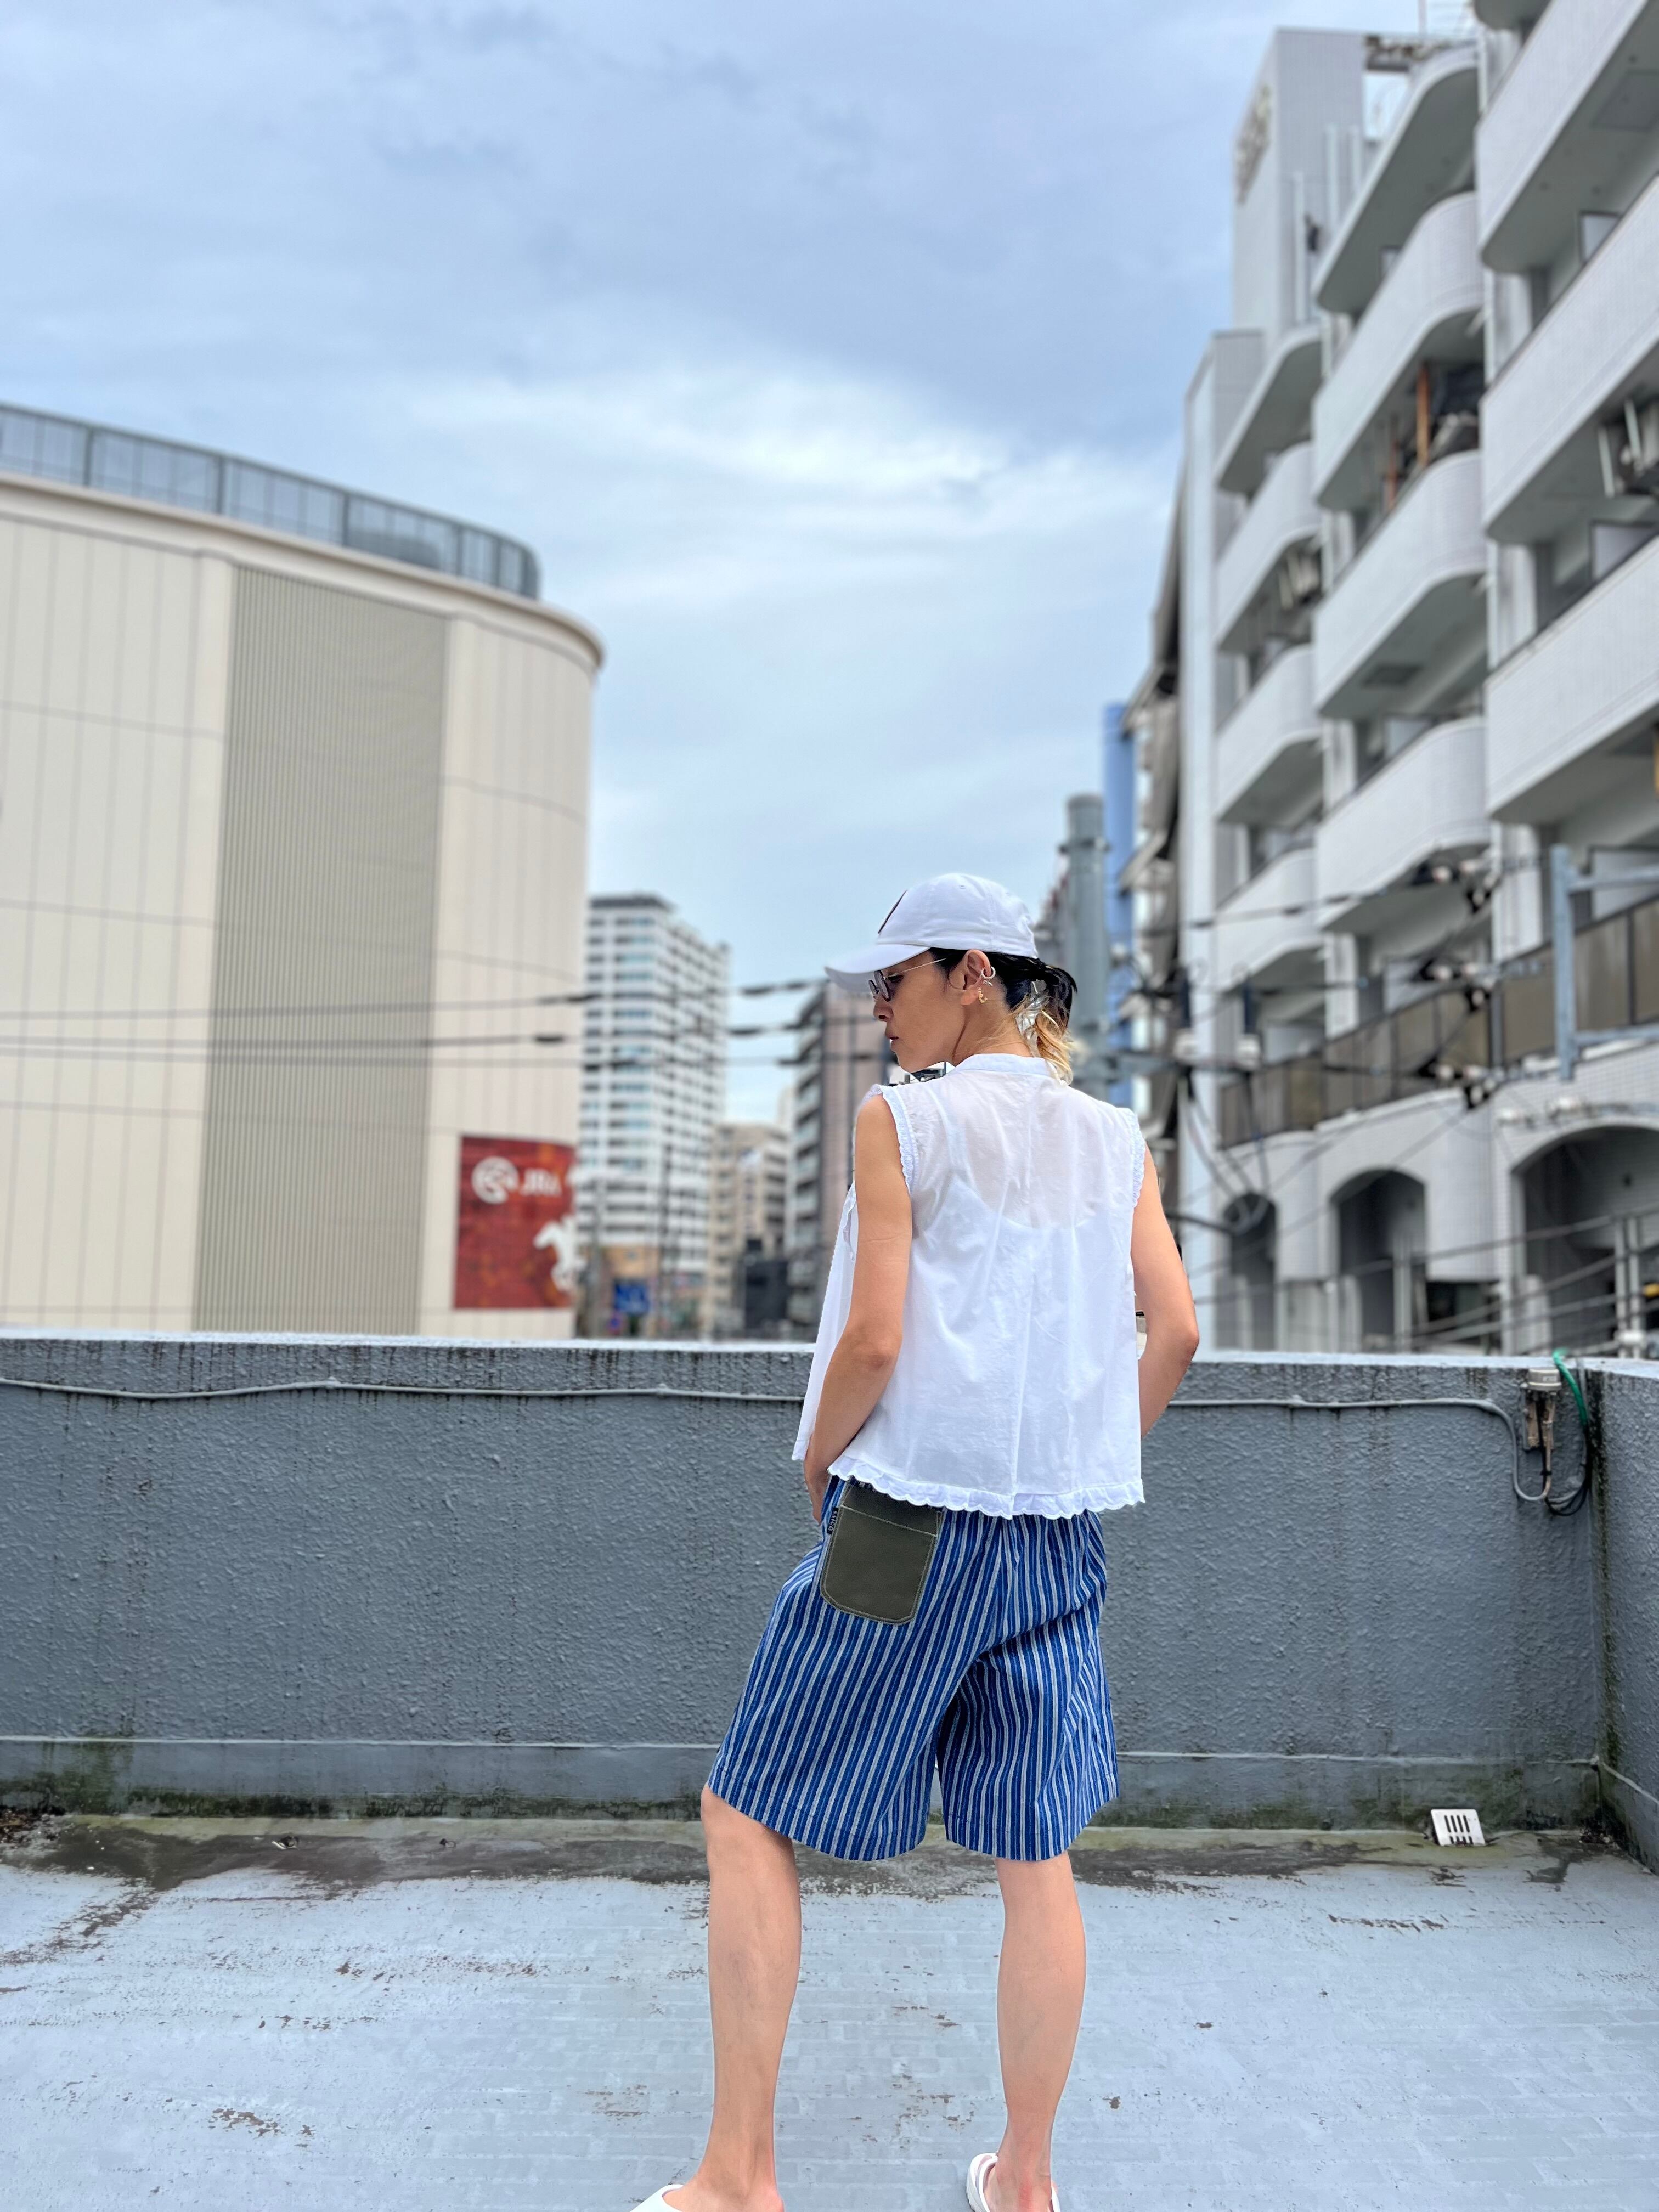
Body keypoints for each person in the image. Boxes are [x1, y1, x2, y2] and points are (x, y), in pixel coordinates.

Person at [631, 873, 1199, 2212]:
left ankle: (739, 2180)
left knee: (745, 1809)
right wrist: (1074, 1459)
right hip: (1053, 1539)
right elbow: (1174, 1331)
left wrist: (818, 1462)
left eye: (896, 981)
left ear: (973, 975)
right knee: (1036, 1855)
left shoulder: (903, 1118)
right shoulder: (1114, 1136)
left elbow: (876, 1340)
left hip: (903, 1526)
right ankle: (1028, 2184)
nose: (881, 1006)